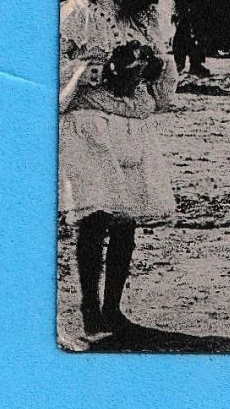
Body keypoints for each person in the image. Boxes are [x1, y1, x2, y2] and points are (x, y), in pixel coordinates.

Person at [59, 39, 178, 336]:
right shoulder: (80, 13)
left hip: (131, 129)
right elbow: (55, 75)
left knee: (126, 221)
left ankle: (112, 308)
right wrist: (83, 71)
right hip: (88, 124)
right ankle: (90, 308)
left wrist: (151, 67)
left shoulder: (146, 19)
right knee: (94, 217)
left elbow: (160, 96)